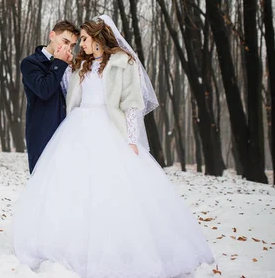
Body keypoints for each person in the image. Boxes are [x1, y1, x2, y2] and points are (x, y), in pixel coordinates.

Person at [13, 15, 214, 278]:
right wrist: (60, 62)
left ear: (97, 37)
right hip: (75, 130)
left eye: (82, 39)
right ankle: (68, 243)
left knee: (111, 190)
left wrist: (131, 139)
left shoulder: (122, 63)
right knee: (73, 190)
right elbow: (59, 91)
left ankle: (115, 245)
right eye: (76, 40)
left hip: (107, 129)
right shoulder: (79, 65)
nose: (79, 45)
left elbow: (131, 103)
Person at [20, 20, 79, 173]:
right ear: (52, 35)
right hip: (43, 133)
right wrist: (59, 63)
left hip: (70, 133)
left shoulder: (72, 65)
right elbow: (44, 90)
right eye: (65, 41)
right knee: (42, 183)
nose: (68, 48)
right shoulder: (30, 63)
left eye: (72, 45)